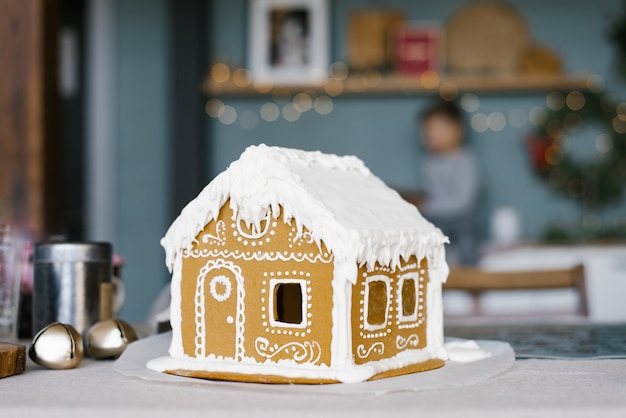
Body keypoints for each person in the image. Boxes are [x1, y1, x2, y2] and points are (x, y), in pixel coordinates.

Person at [412, 100, 480, 265]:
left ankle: (473, 280)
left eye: (438, 128)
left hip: (461, 223)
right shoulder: (428, 162)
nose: (431, 134)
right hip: (435, 222)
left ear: (458, 130)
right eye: (427, 130)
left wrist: (426, 205)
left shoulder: (466, 161)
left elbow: (463, 202)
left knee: (466, 242)